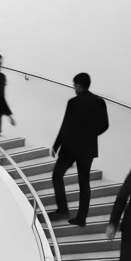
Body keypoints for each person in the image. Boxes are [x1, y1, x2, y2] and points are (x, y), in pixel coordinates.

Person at [50, 72, 109, 226]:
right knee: (84, 183)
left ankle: (62, 209)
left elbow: (65, 126)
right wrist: (90, 134)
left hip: (70, 147)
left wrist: (56, 146)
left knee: (57, 175)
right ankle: (81, 218)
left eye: (74, 85)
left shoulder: (73, 102)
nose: (73, 88)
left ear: (78, 85)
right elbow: (105, 125)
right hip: (87, 149)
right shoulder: (99, 102)